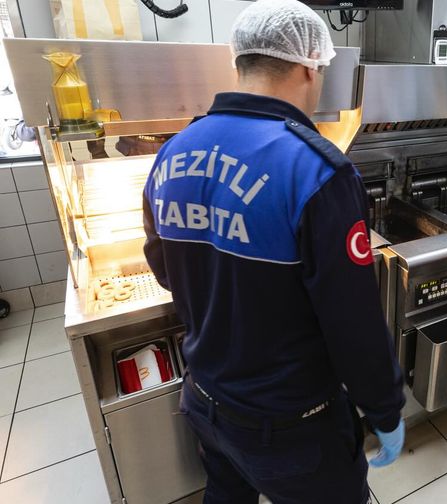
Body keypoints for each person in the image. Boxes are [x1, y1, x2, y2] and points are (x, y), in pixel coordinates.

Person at [142, 1, 405, 502]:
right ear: (310, 65)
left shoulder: (173, 152)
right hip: (291, 426)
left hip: (203, 400)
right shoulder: (316, 169)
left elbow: (165, 270)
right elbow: (353, 321)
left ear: (239, 62)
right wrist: (385, 409)